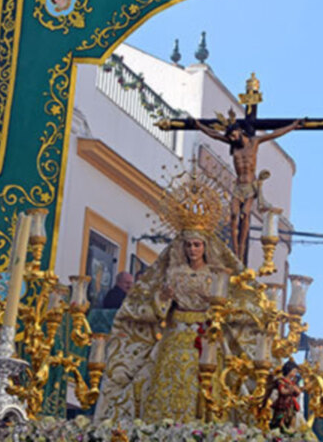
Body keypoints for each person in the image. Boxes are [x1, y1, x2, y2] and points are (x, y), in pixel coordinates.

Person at [93, 226, 254, 422]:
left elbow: (228, 308)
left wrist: (215, 303)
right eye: (188, 245)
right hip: (176, 333)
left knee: (208, 378)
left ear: (205, 247)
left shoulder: (216, 274)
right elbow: (159, 309)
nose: (192, 250)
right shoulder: (174, 273)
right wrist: (163, 297)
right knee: (167, 376)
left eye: (197, 245)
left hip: (205, 336)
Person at [192, 118, 303, 259]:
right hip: (239, 186)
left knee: (245, 214)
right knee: (233, 215)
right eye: (230, 137)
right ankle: (234, 250)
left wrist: (292, 126)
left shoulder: (253, 142)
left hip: (250, 186)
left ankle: (241, 250)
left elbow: (274, 134)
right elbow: (214, 134)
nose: (232, 139)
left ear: (239, 131)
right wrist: (199, 126)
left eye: (233, 135)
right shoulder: (233, 144)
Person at [267, 359, 302, 431]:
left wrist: (296, 390)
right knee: (281, 417)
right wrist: (289, 391)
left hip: (291, 404)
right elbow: (282, 391)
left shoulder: (292, 383)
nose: (295, 373)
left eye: (296, 372)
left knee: (292, 416)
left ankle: (290, 430)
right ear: (289, 370)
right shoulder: (281, 380)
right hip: (282, 403)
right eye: (294, 371)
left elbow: (297, 392)